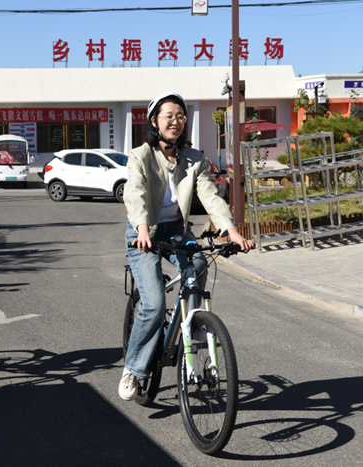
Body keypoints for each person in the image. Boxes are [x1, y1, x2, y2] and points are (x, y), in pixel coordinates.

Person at [119, 92, 254, 401]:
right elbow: (135, 193)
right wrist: (142, 228)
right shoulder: (140, 155)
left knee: (200, 264)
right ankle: (134, 369)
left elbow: (209, 196)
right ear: (154, 121)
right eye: (168, 116)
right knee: (153, 305)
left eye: (180, 116)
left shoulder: (193, 158)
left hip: (177, 231)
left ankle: (191, 323)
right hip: (144, 231)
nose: (175, 121)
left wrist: (231, 230)